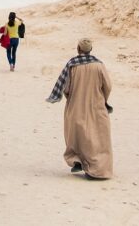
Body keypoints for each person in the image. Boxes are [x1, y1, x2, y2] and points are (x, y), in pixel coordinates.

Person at [46, 39, 113, 179]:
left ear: (78, 49)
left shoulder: (72, 65)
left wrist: (71, 96)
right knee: (99, 137)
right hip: (97, 105)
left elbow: (66, 87)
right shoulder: (99, 65)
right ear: (91, 49)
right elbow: (107, 86)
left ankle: (77, 161)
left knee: (76, 136)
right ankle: (99, 170)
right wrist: (103, 99)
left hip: (75, 105)